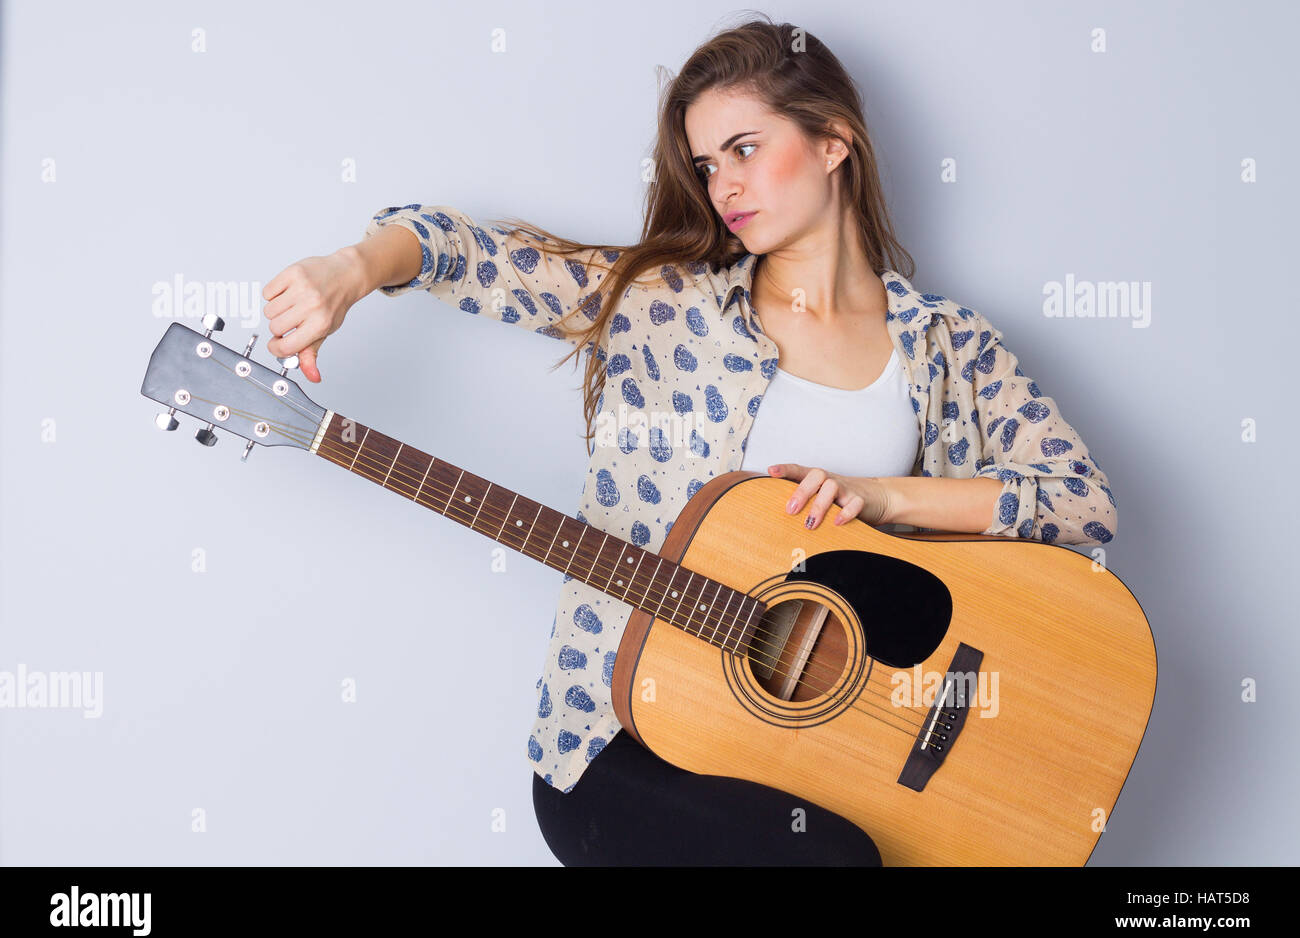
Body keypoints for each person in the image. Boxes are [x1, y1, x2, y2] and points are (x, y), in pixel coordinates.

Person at [260, 16, 1117, 866]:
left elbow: (1082, 503)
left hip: (811, 757)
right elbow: (472, 254)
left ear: (833, 143)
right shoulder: (665, 306)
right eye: (707, 165)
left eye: (744, 149)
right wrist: (354, 268)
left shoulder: (946, 346)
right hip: (621, 743)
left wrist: (886, 494)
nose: (723, 186)